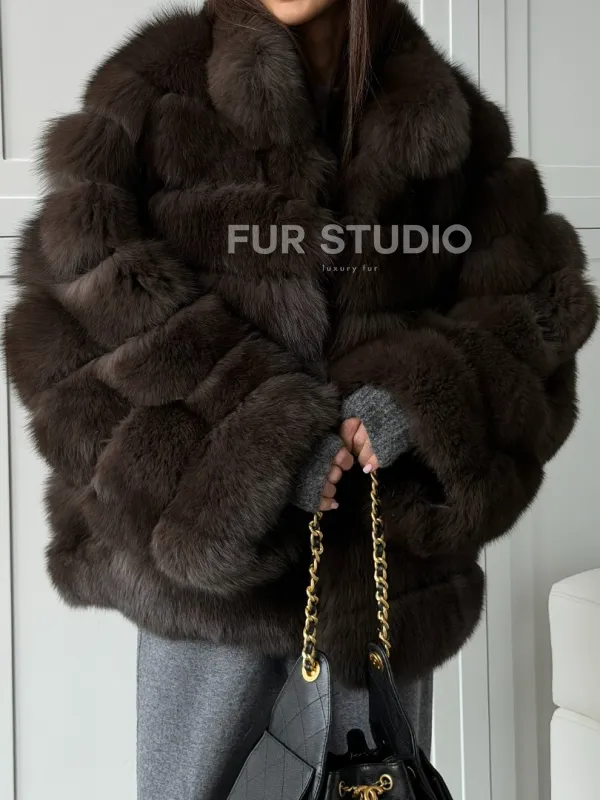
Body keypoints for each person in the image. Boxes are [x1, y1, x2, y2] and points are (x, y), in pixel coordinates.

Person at [3, 0, 597, 797]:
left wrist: (411, 404)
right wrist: (263, 449)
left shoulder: (440, 113)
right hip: (215, 582)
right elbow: (70, 330)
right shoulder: (150, 91)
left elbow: (539, 307)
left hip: (375, 578)